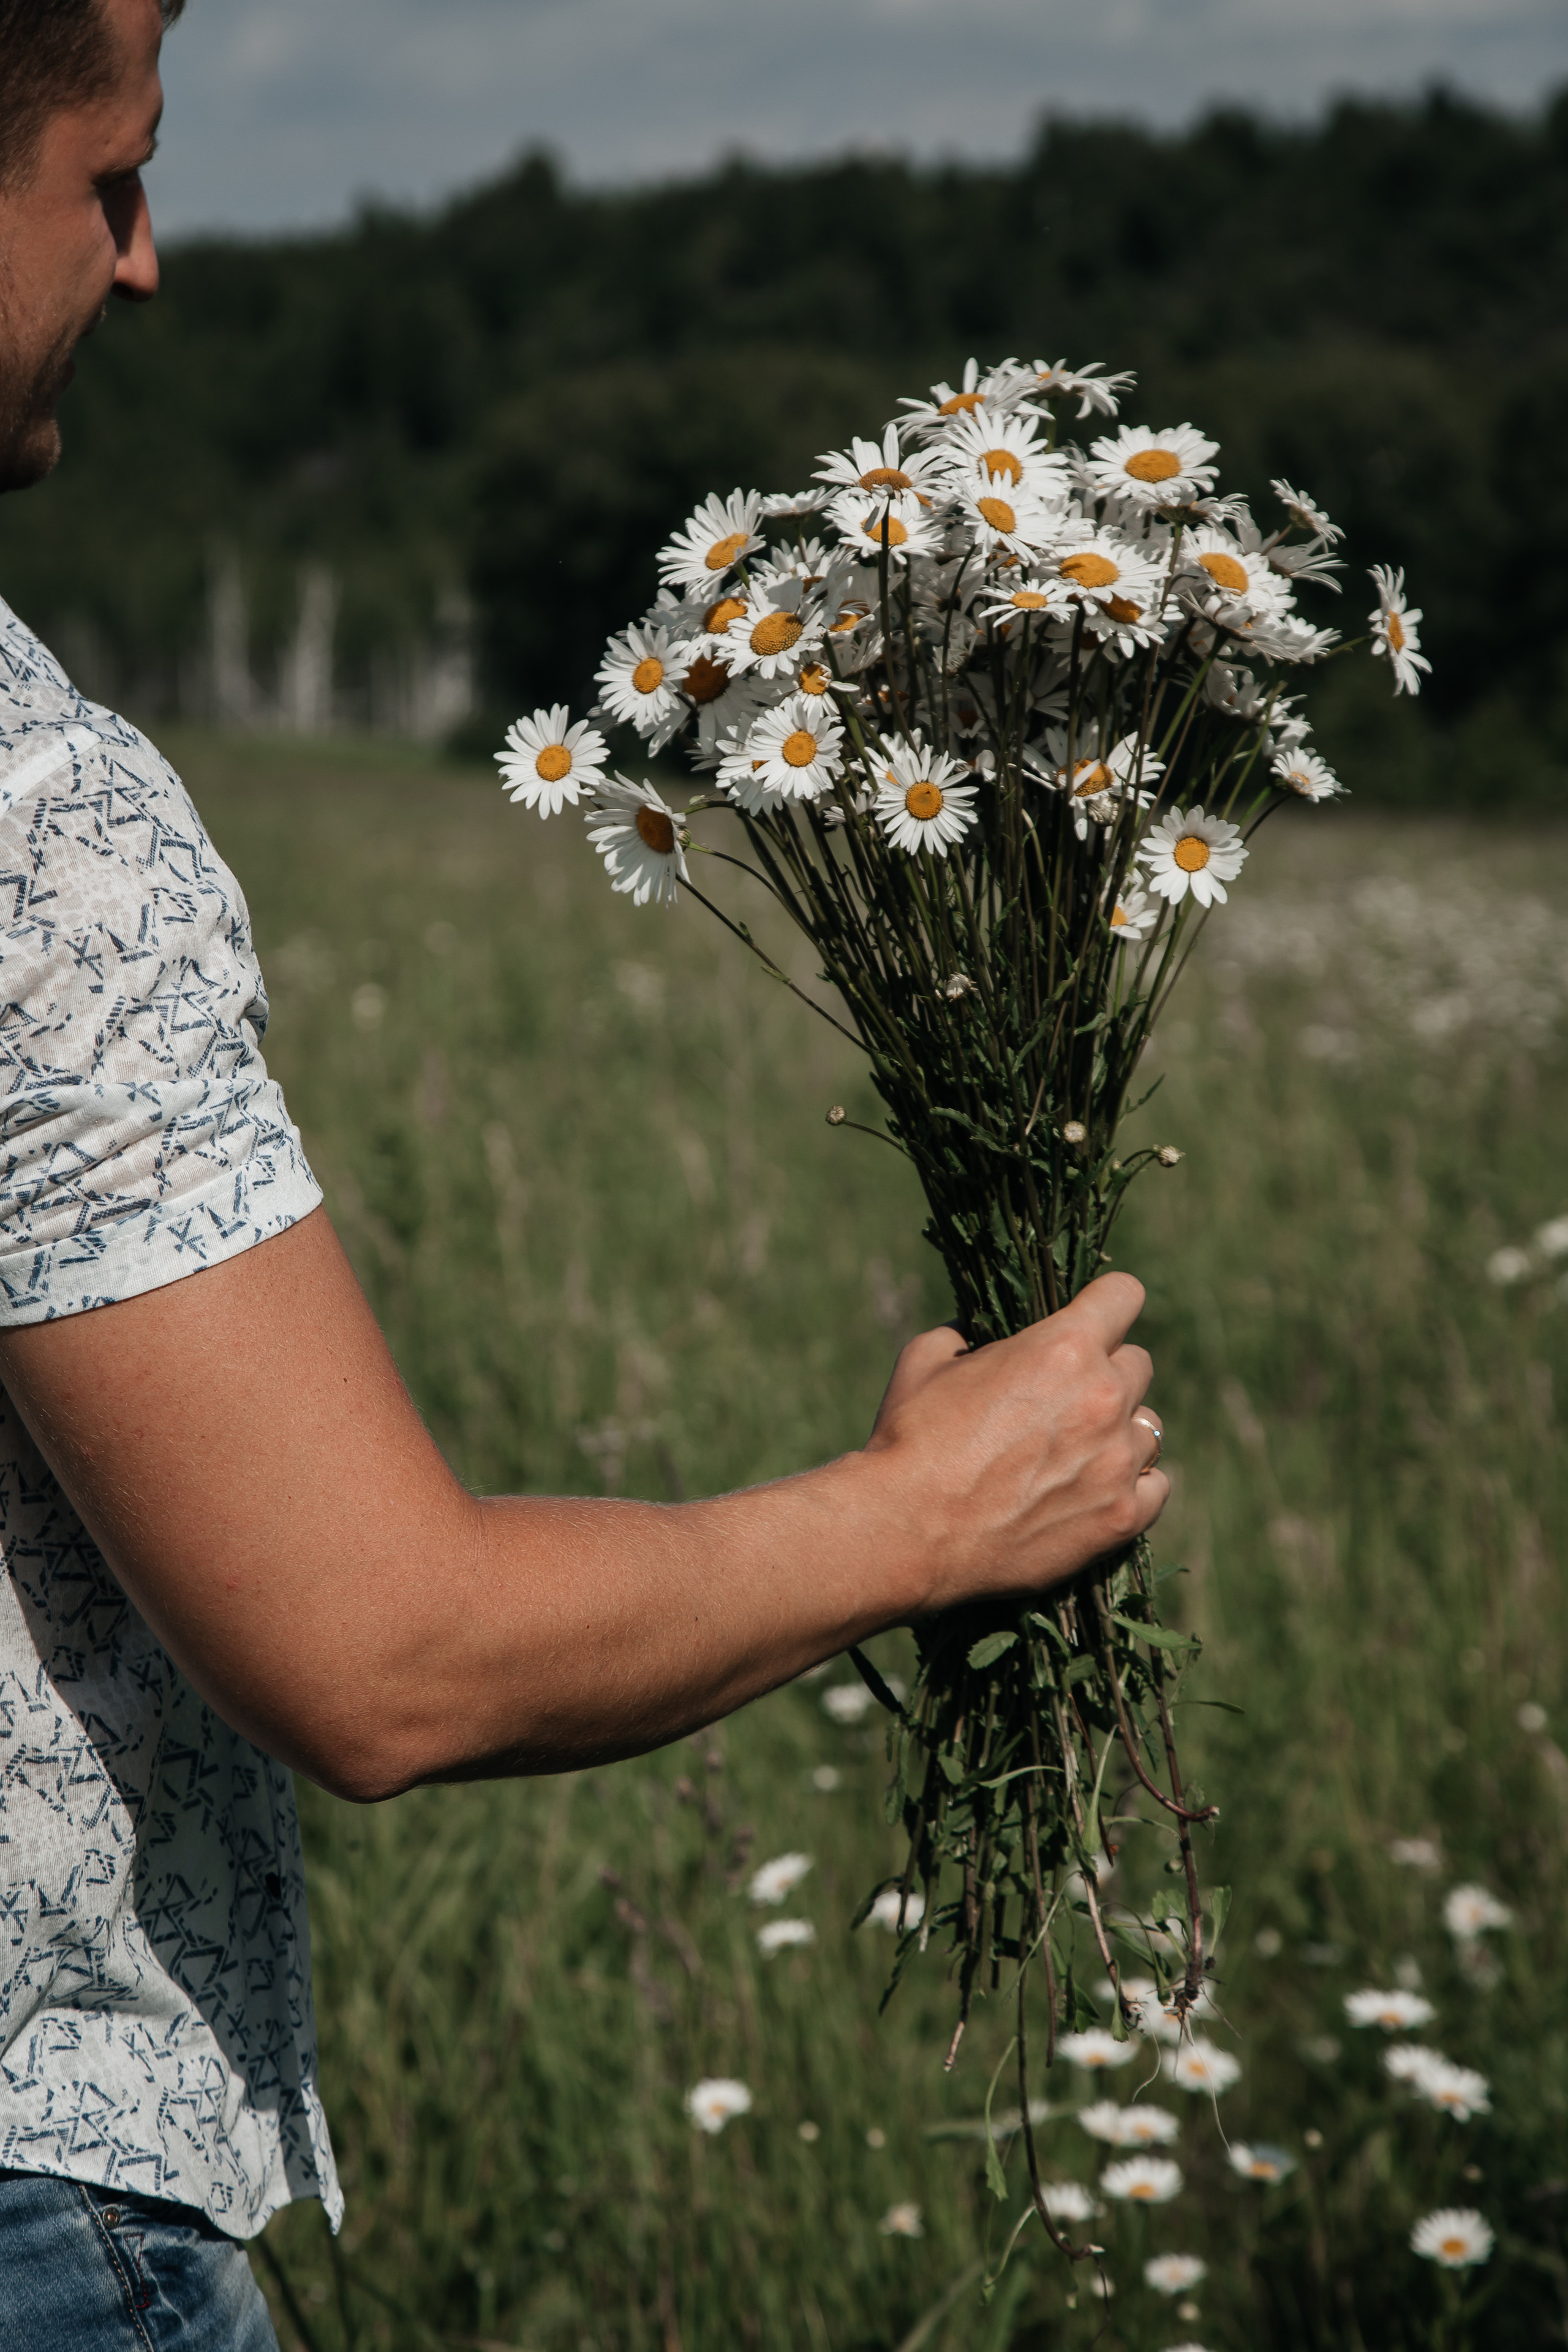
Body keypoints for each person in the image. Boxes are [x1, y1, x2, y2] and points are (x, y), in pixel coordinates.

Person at [0, 0, 1170, 2341]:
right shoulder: (39, 828)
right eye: (106, 176)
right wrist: (936, 1513)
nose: (145, 262)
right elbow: (383, 1656)